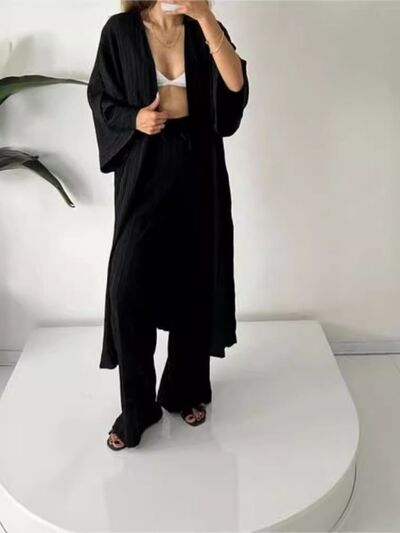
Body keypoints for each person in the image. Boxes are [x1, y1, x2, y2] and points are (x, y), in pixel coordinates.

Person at [87, 0, 249, 450]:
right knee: (127, 286)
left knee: (195, 281)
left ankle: (184, 389)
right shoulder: (121, 30)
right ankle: (137, 406)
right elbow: (100, 98)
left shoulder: (203, 28)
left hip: (198, 166)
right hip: (144, 168)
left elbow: (235, 87)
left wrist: (205, 17)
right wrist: (135, 118)